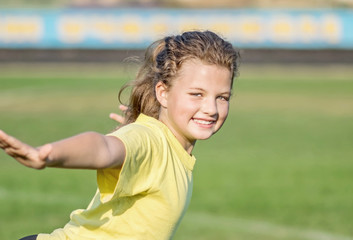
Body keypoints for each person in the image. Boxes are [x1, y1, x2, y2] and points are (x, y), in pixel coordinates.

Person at [0, 30, 240, 240]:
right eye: (197, 94)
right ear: (163, 93)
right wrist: (46, 155)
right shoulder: (150, 140)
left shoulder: (168, 143)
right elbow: (104, 149)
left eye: (222, 97)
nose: (211, 108)